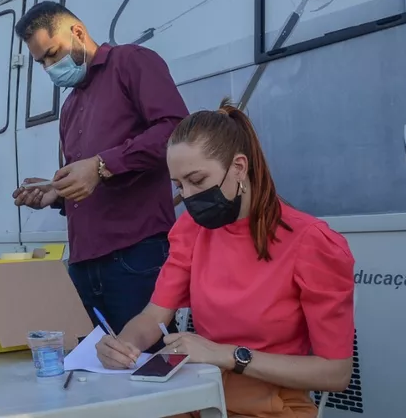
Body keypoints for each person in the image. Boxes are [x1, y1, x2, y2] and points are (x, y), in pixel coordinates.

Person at [96, 100, 355, 418]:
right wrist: (121, 346)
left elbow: (336, 373)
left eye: (198, 180)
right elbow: (153, 317)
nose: (188, 197)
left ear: (239, 167)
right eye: (180, 186)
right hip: (195, 395)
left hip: (270, 405)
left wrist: (227, 355)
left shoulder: (310, 242)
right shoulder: (191, 229)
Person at [11, 1, 189, 344]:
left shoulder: (131, 62)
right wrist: (55, 193)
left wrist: (101, 165)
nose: (49, 68)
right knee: (96, 375)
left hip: (135, 254)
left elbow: (176, 130)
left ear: (78, 33)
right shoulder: (70, 107)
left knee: (146, 367)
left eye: (52, 53)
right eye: (41, 62)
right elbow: (88, 180)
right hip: (83, 262)